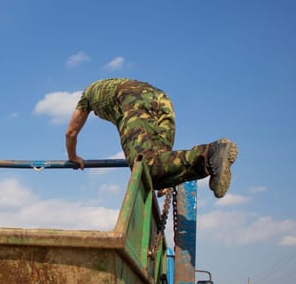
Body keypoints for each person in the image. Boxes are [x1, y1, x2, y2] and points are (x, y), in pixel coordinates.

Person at [65, 78, 238, 198]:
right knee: (153, 172)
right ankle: (210, 162)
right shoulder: (113, 84)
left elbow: (71, 132)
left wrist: (73, 157)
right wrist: (166, 182)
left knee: (141, 166)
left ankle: (210, 153)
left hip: (131, 97)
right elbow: (159, 152)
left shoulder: (86, 96)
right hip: (162, 99)